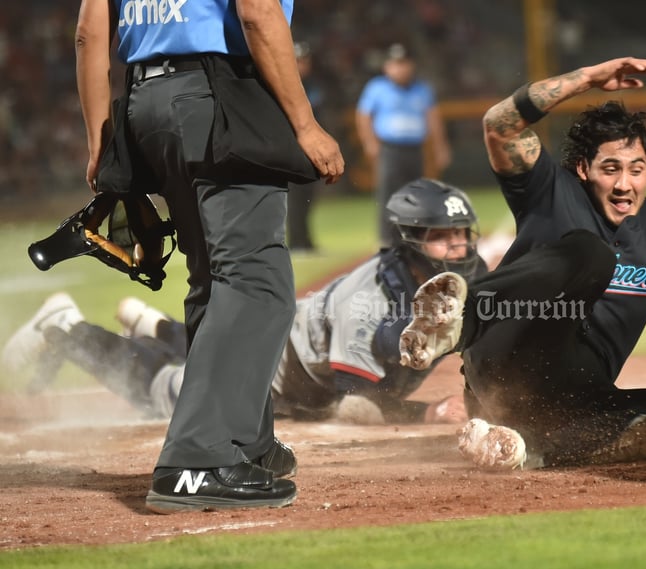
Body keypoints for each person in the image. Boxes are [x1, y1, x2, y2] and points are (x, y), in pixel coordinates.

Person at [398, 57, 646, 471]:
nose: (625, 184)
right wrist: (586, 79)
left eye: (636, 170)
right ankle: (456, 321)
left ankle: (523, 449)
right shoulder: (552, 193)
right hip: (504, 363)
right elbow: (500, 124)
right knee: (593, 255)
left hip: (573, 393)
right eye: (611, 169)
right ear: (583, 169)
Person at [74, 0, 344, 513]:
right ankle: (195, 461)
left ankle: (244, 440)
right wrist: (306, 125)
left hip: (144, 100)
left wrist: (99, 140)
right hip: (216, 93)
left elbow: (89, 32)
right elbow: (258, 12)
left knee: (214, 280)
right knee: (255, 281)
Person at [3, 179, 486, 428]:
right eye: (443, 237)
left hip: (279, 338)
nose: (459, 248)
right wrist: (424, 412)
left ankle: (157, 327)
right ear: (411, 241)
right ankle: (64, 329)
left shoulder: (465, 275)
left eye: (463, 235)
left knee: (197, 346)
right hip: (260, 370)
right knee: (164, 393)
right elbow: (354, 406)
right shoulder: (366, 301)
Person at [356, 42, 452, 247]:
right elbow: (363, 116)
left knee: (415, 194)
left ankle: (414, 236)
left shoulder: (422, 89)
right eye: (396, 63)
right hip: (390, 149)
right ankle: (386, 239)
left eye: (404, 63)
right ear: (387, 67)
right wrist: (369, 143)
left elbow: (433, 119)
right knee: (388, 194)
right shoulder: (377, 88)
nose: (401, 68)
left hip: (414, 149)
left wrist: (440, 147)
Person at [286, 41, 325, 253]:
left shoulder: (314, 86)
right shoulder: (283, 84)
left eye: (304, 61)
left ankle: (306, 240)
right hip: (290, 148)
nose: (302, 65)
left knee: (308, 196)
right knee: (294, 198)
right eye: (298, 60)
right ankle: (296, 241)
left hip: (311, 150)